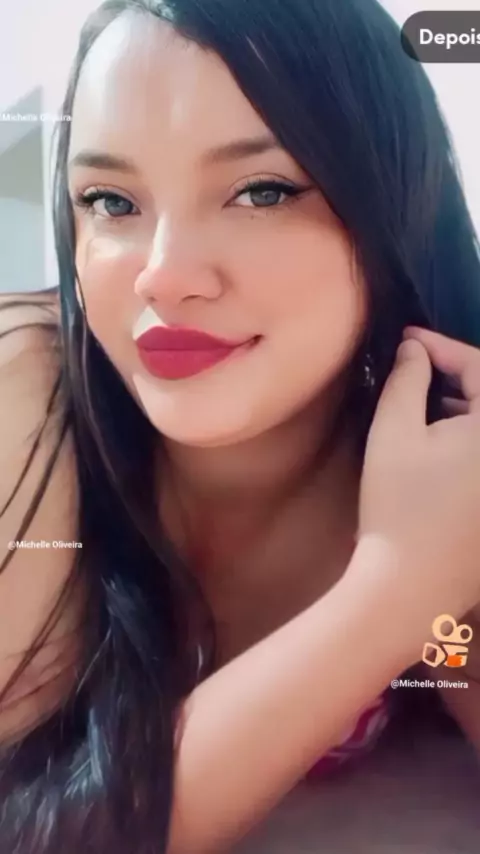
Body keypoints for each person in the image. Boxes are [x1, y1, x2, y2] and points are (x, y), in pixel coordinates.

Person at [1, 0, 480, 851]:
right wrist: (395, 589)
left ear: (393, 207)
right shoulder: (26, 402)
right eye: (110, 201)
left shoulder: (445, 450)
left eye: (261, 192)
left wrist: (448, 602)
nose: (164, 275)